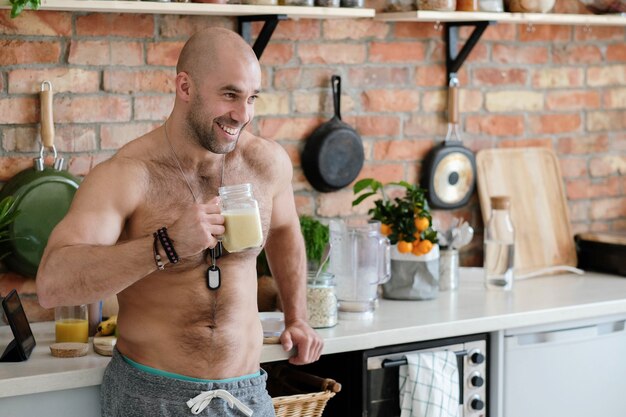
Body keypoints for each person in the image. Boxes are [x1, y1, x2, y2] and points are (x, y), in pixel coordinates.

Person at [36, 27, 323, 416]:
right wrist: (165, 245)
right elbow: (54, 284)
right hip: (151, 397)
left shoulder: (265, 164)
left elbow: (286, 229)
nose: (243, 115)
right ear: (184, 87)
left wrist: (297, 316)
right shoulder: (129, 174)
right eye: (229, 95)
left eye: (252, 98)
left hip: (247, 395)